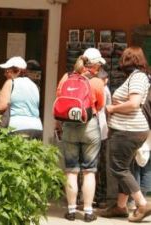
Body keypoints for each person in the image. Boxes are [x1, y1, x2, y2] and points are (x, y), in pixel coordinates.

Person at [100, 46, 151, 222]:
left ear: (128, 59)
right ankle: (120, 207)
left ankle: (142, 204)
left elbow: (134, 103)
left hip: (128, 130)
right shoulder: (137, 76)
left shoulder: (137, 77)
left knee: (118, 168)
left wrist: (112, 108)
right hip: (131, 130)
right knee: (125, 167)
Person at [56, 48, 105, 222]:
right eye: (99, 64)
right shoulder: (97, 82)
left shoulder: (66, 77)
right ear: (94, 65)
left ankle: (70, 210)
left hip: (69, 126)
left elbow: (60, 99)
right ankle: (88, 211)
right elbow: (99, 105)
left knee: (71, 170)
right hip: (89, 126)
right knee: (89, 171)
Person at [0, 56, 43, 140]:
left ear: (18, 71)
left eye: (7, 71)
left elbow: (0, 107)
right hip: (37, 128)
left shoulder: (11, 83)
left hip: (18, 128)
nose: (5, 74)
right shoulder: (34, 85)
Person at [94, 68, 112, 208]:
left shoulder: (91, 85)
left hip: (91, 129)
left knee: (88, 164)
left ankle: (83, 197)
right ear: (106, 79)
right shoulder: (106, 90)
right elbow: (108, 110)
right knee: (101, 165)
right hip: (103, 130)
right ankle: (102, 198)